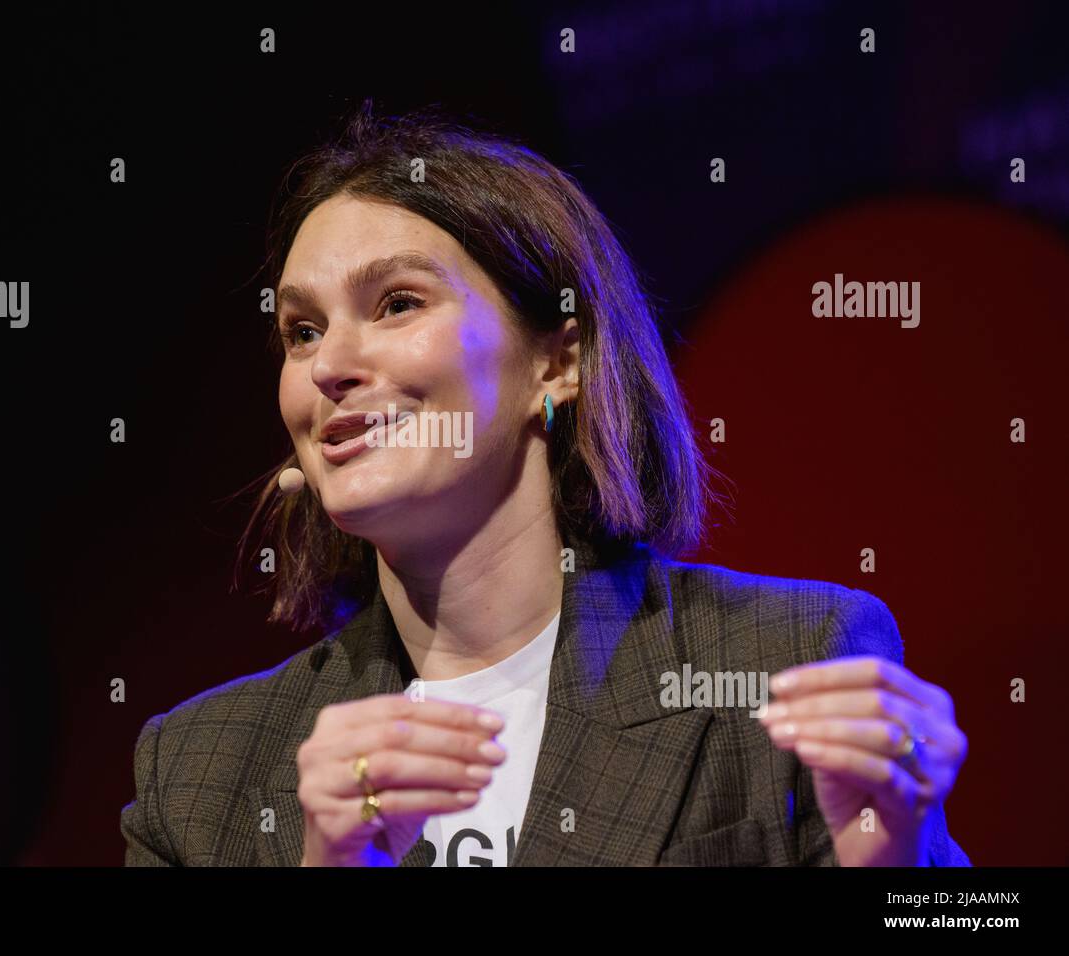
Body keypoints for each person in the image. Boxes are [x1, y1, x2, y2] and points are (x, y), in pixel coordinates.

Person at [120, 101, 969, 867]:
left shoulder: (783, 661)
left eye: (398, 303)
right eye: (302, 330)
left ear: (557, 363)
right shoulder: (197, 778)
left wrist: (893, 859)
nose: (329, 365)